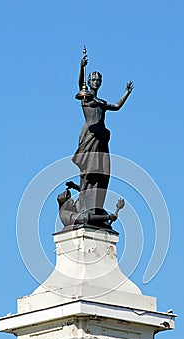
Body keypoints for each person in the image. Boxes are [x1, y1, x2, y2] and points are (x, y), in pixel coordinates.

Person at [72, 52, 133, 217]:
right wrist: (82, 67)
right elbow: (80, 84)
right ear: (90, 82)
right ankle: (83, 203)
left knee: (101, 171)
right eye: (93, 80)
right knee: (87, 171)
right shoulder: (85, 97)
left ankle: (95, 204)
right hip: (89, 136)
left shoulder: (102, 102)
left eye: (99, 80)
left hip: (101, 139)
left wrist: (126, 92)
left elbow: (117, 106)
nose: (96, 83)